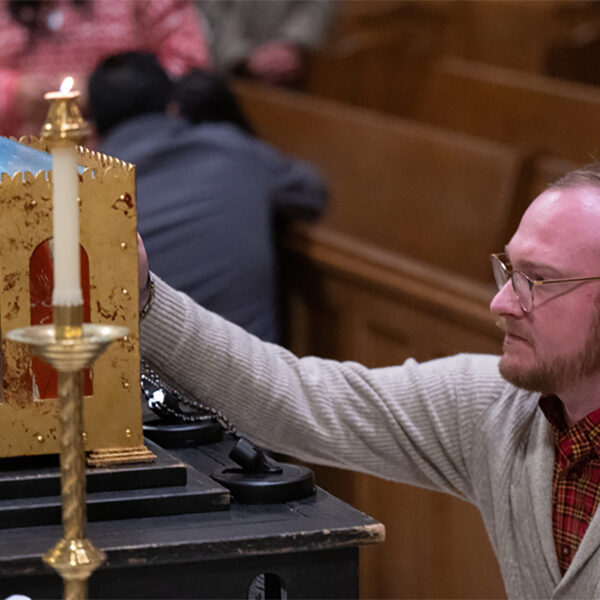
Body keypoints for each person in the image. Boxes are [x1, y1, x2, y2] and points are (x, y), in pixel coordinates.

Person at [138, 162, 600, 598]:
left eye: (536, 280)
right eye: (508, 270)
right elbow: (299, 399)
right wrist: (141, 297)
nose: (500, 303)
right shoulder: (500, 409)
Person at [89, 52, 327, 343]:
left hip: (133, 379)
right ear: (173, 106)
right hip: (254, 377)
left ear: (91, 126)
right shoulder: (232, 147)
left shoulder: (84, 188)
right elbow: (313, 193)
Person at [0, 0, 210, 137]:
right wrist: (11, 92)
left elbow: (189, 64)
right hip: (17, 164)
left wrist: (102, 91)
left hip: (128, 157)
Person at [196, 0, 336, 87]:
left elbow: (318, 4)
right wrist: (241, 53)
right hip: (231, 71)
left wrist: (289, 43)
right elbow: (213, 7)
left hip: (295, 67)